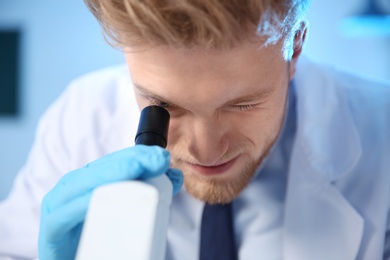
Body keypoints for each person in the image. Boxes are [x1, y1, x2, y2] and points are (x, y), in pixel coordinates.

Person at [0, 0, 389, 259]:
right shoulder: (80, 120)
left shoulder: (381, 130)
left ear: (296, 46)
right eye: (164, 105)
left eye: (242, 104)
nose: (206, 152)